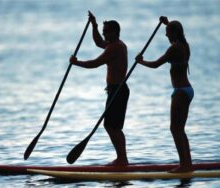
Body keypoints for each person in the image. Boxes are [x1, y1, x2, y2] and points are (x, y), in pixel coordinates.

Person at [70, 12, 129, 166]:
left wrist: (77, 63)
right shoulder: (114, 44)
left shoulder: (115, 47)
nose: (104, 34)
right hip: (115, 90)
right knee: (113, 126)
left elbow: (95, 63)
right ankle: (122, 159)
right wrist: (94, 25)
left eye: (106, 31)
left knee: (111, 126)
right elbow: (98, 42)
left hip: (118, 90)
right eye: (103, 32)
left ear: (115, 32)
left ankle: (122, 160)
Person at [136, 16, 194, 173]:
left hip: (181, 91)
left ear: (174, 33)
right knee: (179, 129)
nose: (166, 35)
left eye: (168, 33)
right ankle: (187, 163)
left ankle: (185, 165)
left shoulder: (174, 48)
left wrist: (141, 61)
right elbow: (176, 30)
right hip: (186, 90)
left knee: (175, 129)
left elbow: (155, 64)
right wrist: (167, 24)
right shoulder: (184, 44)